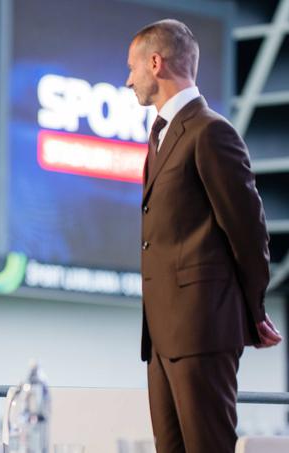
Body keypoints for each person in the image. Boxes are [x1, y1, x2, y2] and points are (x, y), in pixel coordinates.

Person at [125, 19, 282, 452]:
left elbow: (248, 232)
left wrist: (252, 312)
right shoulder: (160, 136)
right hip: (162, 337)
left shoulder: (210, 131)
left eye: (132, 68)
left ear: (155, 63)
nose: (128, 80)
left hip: (202, 329)